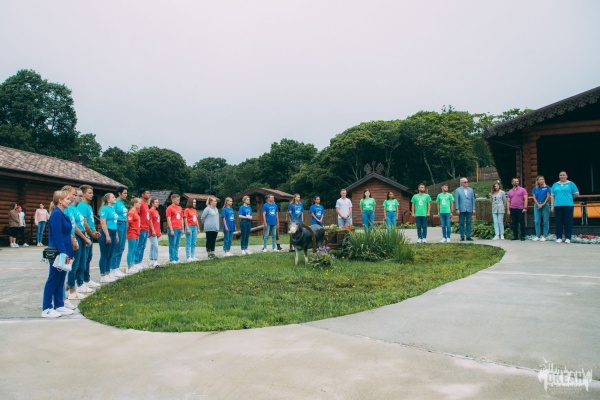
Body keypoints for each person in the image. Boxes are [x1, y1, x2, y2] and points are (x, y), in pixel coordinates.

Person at [41, 190, 75, 318]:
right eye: (67, 199)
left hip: (65, 250)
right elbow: (57, 235)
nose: (69, 201)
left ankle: (59, 304)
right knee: (53, 278)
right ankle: (46, 308)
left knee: (61, 278)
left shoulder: (62, 213)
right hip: (58, 251)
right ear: (60, 201)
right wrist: (63, 252)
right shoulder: (56, 214)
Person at [66, 188, 93, 300]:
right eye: (77, 195)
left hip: (81, 235)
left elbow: (79, 224)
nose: (80, 198)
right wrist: (83, 237)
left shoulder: (76, 209)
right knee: (75, 265)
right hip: (76, 236)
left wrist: (85, 236)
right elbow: (73, 227)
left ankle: (76, 285)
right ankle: (72, 289)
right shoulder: (69, 209)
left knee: (82, 263)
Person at [77, 185, 101, 289]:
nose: (92, 195)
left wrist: (94, 231)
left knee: (88, 257)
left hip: (90, 233)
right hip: (85, 234)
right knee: (84, 258)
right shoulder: (82, 206)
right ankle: (81, 280)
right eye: (89, 193)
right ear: (83, 194)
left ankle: (86, 279)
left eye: (92, 193)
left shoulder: (89, 206)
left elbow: (91, 222)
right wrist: (91, 233)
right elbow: (84, 222)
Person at [551, 171, 579, 244]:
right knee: (558, 222)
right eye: (561, 175)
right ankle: (559, 237)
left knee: (568, 222)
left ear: (566, 176)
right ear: (559, 176)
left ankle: (568, 238)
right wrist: (552, 206)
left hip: (568, 205)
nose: (562, 176)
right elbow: (552, 196)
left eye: (564, 175)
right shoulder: (555, 184)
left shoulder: (571, 184)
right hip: (557, 205)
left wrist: (570, 198)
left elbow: (576, 194)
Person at [98, 193, 118, 283]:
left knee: (110, 254)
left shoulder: (112, 209)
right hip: (107, 232)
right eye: (113, 197)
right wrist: (107, 235)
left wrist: (116, 235)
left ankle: (108, 272)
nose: (115, 198)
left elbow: (114, 222)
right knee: (105, 254)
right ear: (108, 200)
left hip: (113, 232)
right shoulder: (105, 209)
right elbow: (103, 223)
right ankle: (103, 274)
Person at [112, 186, 129, 272]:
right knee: (117, 246)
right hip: (118, 224)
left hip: (124, 224)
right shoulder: (115, 203)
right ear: (119, 193)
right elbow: (113, 215)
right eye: (124, 193)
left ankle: (117, 267)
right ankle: (113, 268)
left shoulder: (122, 203)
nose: (126, 195)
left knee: (122, 247)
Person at [134, 189, 151, 268]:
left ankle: (140, 261)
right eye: (147, 193)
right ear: (142, 194)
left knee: (143, 246)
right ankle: (136, 262)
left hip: (146, 228)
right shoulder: (140, 203)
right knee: (139, 245)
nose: (149, 194)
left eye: (149, 193)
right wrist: (138, 226)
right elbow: (136, 214)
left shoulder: (146, 204)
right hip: (141, 227)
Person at [532, 175, 551, 241]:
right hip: (537, 205)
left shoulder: (547, 187)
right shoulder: (535, 188)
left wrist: (543, 204)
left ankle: (545, 236)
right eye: (540, 179)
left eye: (543, 179)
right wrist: (538, 204)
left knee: (545, 220)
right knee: (537, 221)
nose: (541, 181)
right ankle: (538, 235)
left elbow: (548, 196)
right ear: (537, 181)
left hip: (545, 204)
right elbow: (534, 197)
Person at [166, 193, 183, 264]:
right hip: (173, 228)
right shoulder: (169, 208)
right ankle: (172, 259)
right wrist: (171, 229)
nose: (178, 201)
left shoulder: (180, 208)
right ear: (172, 200)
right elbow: (168, 219)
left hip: (179, 228)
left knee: (177, 244)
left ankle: (176, 258)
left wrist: (182, 228)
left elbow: (181, 219)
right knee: (172, 244)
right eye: (177, 200)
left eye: (179, 200)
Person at [126, 197, 141, 274]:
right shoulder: (131, 212)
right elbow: (128, 223)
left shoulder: (136, 212)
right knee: (131, 250)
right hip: (132, 233)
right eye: (139, 203)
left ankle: (132, 265)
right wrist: (127, 233)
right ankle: (129, 267)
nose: (140, 204)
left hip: (136, 233)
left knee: (134, 250)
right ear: (134, 204)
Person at [183, 198, 200, 262]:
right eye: (193, 202)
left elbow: (196, 220)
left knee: (194, 242)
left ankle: (193, 256)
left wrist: (198, 227)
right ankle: (188, 257)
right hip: (189, 227)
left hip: (195, 227)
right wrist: (187, 228)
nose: (195, 203)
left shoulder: (195, 210)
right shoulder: (186, 210)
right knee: (189, 242)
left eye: (195, 202)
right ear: (190, 202)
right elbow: (185, 219)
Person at [148, 198, 161, 267]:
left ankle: (151, 260)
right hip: (152, 231)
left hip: (157, 230)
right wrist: (153, 230)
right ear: (152, 203)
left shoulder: (156, 211)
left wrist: (159, 230)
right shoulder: (150, 211)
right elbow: (150, 221)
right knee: (156, 246)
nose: (158, 203)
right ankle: (155, 260)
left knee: (153, 246)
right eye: (156, 202)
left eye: (158, 202)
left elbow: (157, 222)